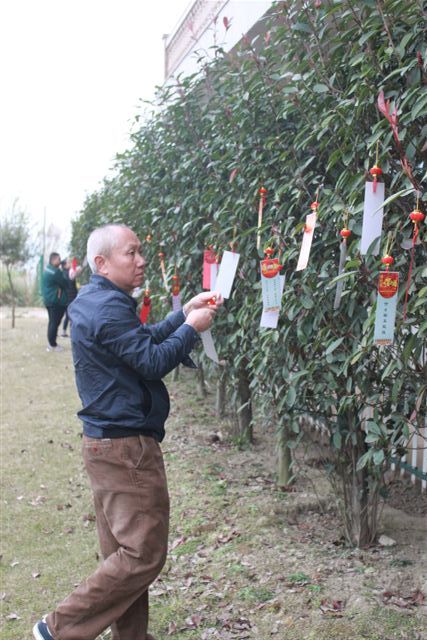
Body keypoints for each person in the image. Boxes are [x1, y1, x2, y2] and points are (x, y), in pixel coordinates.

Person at [33, 224, 223, 640]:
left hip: (105, 444)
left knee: (122, 553)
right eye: (131, 253)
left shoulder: (97, 301)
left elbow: (139, 343)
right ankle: (57, 629)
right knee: (142, 553)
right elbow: (152, 362)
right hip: (125, 449)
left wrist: (182, 315)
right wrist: (191, 328)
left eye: (140, 252)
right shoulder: (107, 307)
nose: (140, 261)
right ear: (102, 263)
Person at [41, 252, 69, 352]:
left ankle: (50, 342)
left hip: (48, 300)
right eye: (58, 259)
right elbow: (65, 283)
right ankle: (53, 344)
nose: (60, 261)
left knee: (52, 322)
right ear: (53, 260)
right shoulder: (56, 272)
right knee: (55, 322)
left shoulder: (47, 269)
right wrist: (65, 269)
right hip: (55, 301)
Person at [60, 258, 81, 337]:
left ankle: (64, 331)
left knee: (68, 315)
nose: (70, 263)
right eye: (68, 262)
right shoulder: (69, 272)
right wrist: (78, 270)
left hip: (67, 297)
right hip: (71, 297)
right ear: (65, 265)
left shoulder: (63, 273)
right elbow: (73, 275)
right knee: (72, 315)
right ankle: (72, 332)